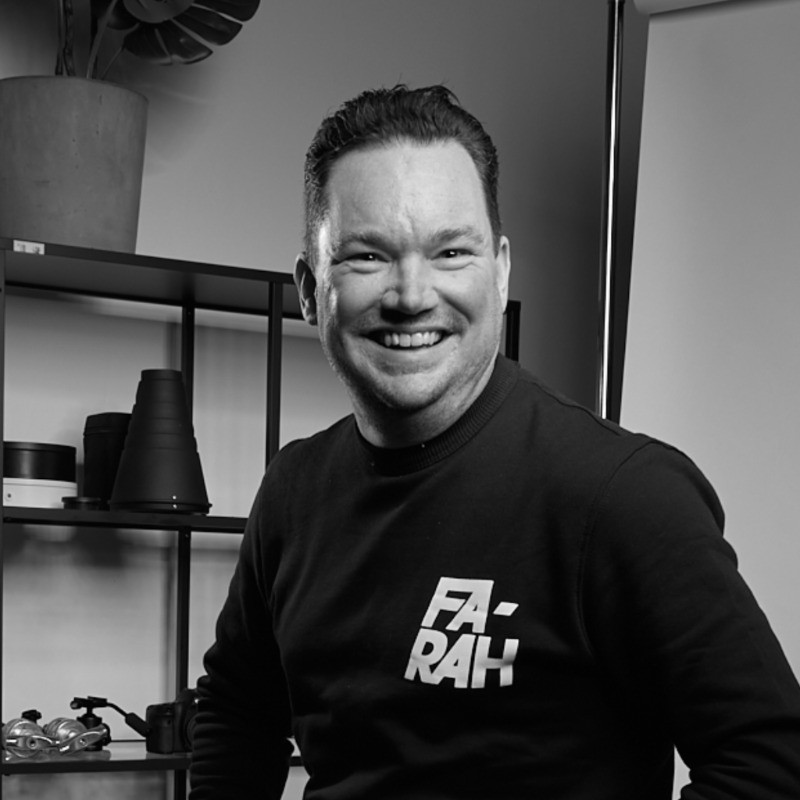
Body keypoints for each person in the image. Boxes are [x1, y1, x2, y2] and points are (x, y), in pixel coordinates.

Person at [189, 85, 800, 799]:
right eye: (366, 257)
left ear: (501, 270)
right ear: (308, 288)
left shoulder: (622, 495)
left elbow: (770, 764)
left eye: (450, 251)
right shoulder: (294, 492)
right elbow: (236, 711)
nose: (411, 294)